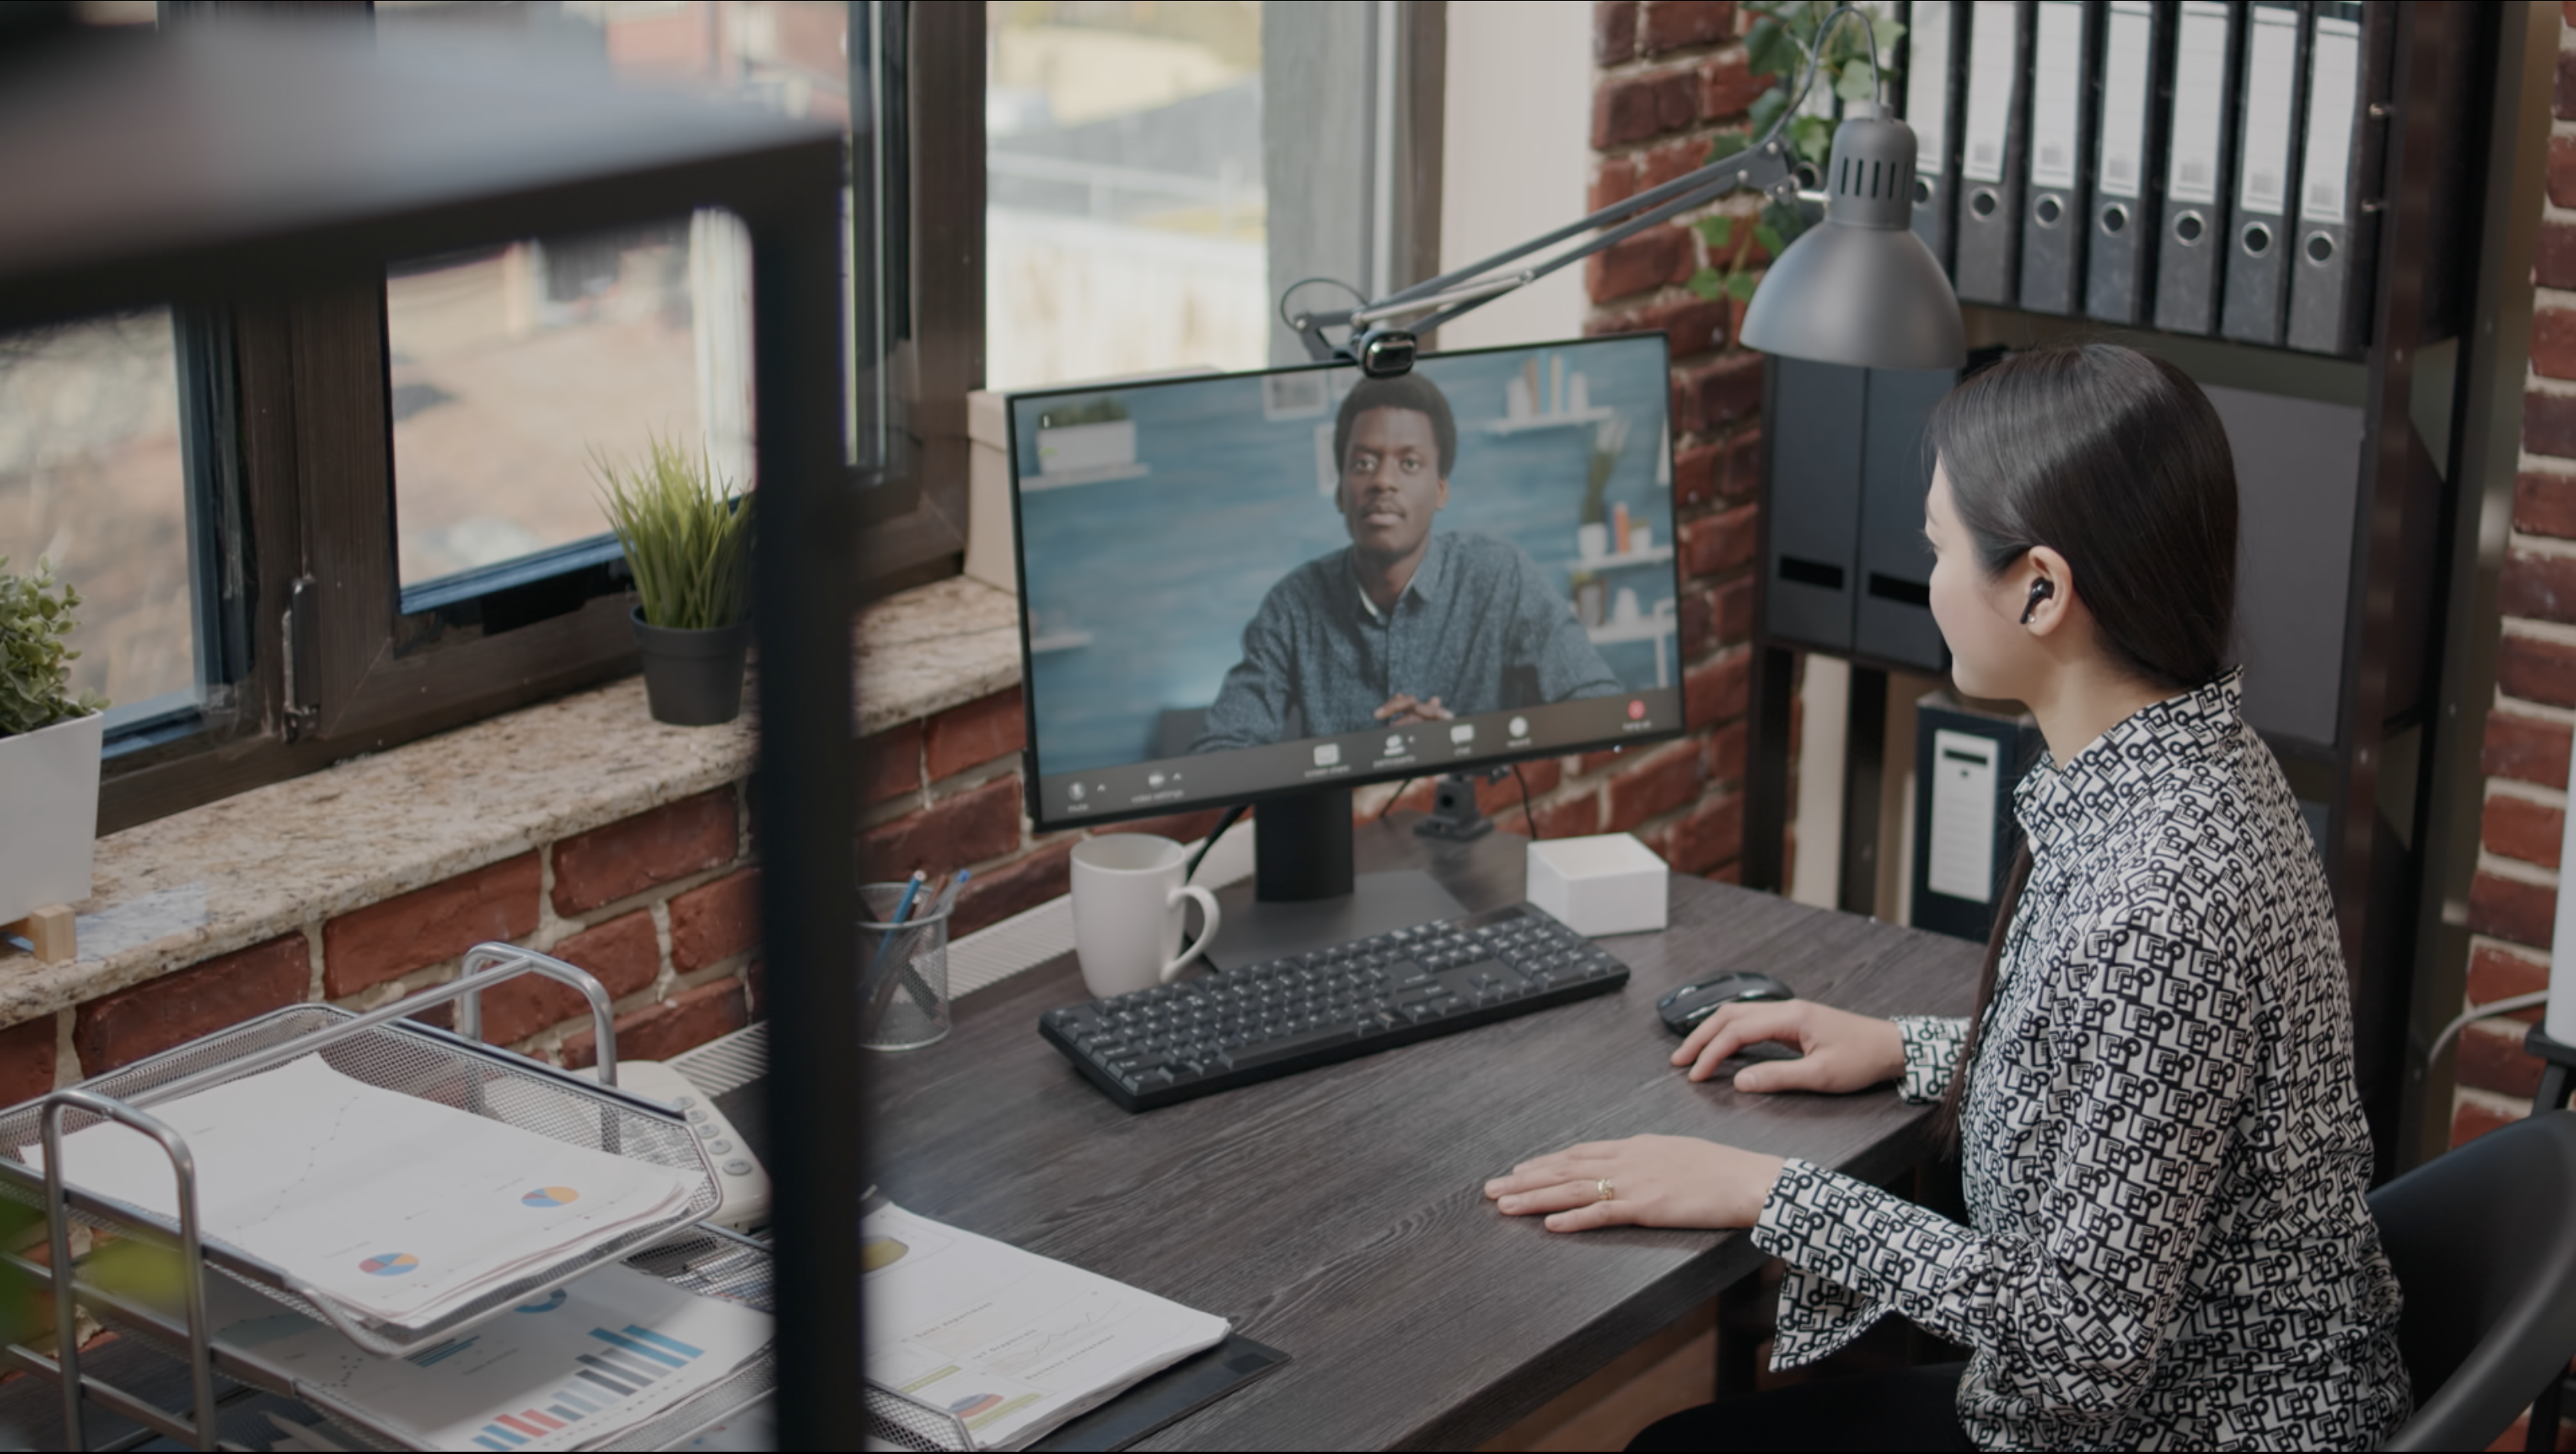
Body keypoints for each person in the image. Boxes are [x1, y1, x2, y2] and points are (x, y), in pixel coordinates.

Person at [1483, 344, 2408, 1451]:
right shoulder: (2197, 762)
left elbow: (2076, 1353)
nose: (1928, 582)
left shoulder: (2157, 903)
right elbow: (2125, 1090)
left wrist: (1769, 1193)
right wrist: (1905, 1047)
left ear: (2040, 589)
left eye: (1938, 548)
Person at [1191, 372, 1622, 752]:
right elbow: (1219, 754)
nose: (1383, 481)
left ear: (1440, 490)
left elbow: (1603, 710)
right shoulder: (1292, 607)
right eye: (1363, 463)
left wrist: (1459, 746)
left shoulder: (1501, 579)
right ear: (1340, 491)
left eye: (1409, 463)